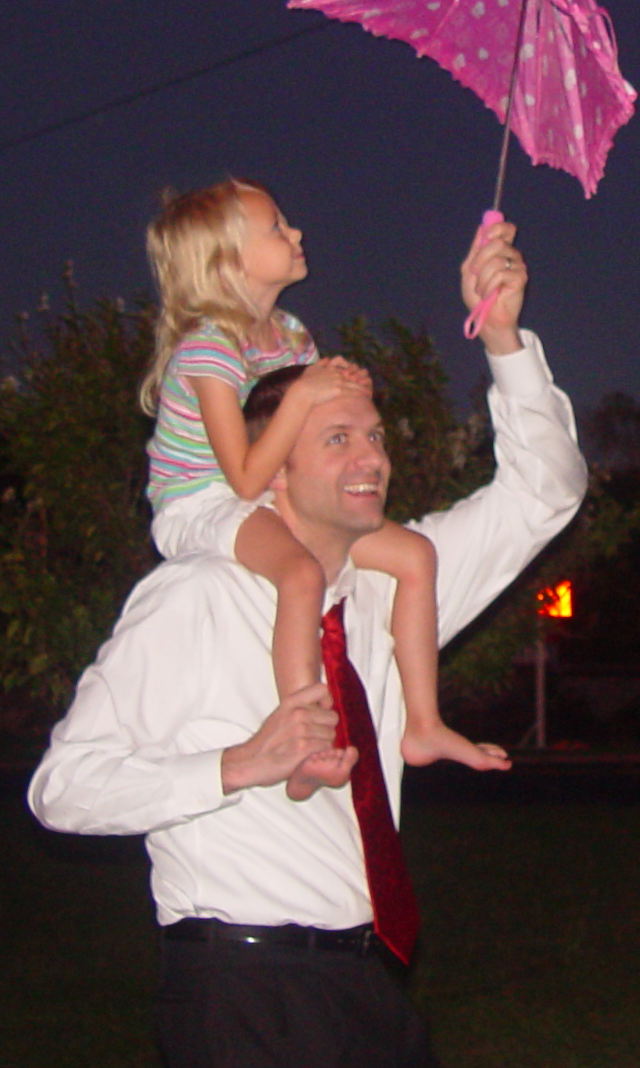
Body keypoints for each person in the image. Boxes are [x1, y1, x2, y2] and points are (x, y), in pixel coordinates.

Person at [30, 217, 582, 1068]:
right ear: (268, 469)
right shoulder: (188, 604)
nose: (371, 456)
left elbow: (543, 494)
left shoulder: (389, 587)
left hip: (368, 991)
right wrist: (237, 764)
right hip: (245, 1001)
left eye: (373, 433)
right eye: (336, 438)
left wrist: (507, 341)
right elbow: (61, 788)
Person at [141, 179, 490, 779]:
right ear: (228, 262)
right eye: (276, 227)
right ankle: (301, 742)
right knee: (300, 574)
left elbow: (301, 425)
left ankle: (424, 725)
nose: (296, 233)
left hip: (274, 492)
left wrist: (342, 389)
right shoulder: (208, 353)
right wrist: (305, 395)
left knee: (415, 555)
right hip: (202, 503)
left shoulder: (288, 334)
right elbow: (245, 477)